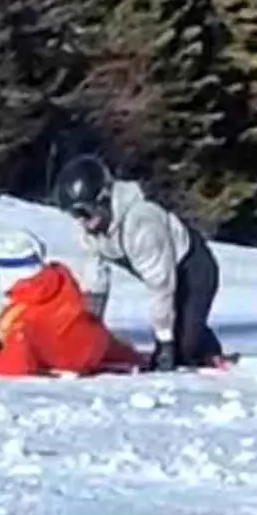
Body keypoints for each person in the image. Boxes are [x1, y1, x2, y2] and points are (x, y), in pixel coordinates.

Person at [53, 156, 223, 370]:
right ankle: (192, 333)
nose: (80, 221)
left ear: (103, 200)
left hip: (192, 266)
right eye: (73, 214)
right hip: (160, 272)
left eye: (83, 212)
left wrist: (164, 344)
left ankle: (209, 352)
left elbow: (161, 287)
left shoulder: (141, 223)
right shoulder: (91, 231)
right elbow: (95, 280)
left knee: (183, 350)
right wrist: (89, 329)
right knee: (178, 325)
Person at [0, 227, 142, 378]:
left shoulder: (25, 321)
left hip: (82, 359)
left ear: (7, 273)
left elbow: (18, 366)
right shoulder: (59, 283)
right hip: (99, 344)